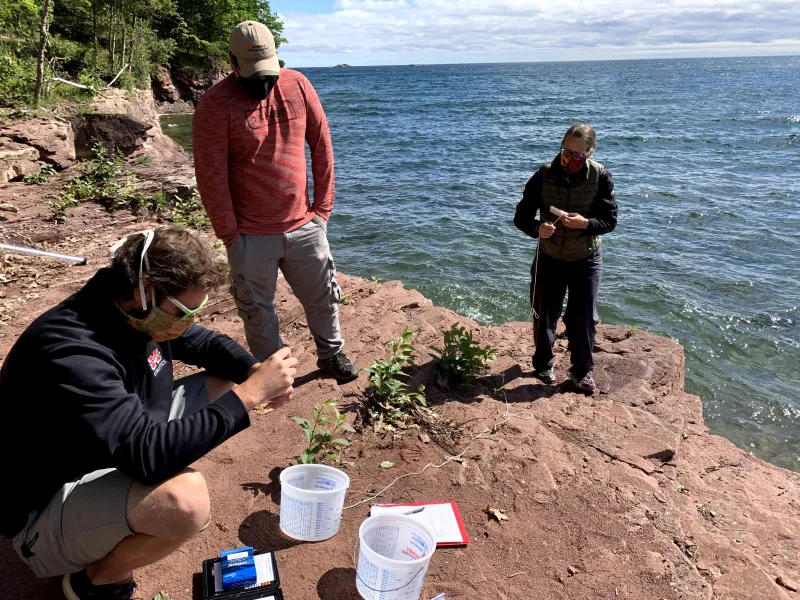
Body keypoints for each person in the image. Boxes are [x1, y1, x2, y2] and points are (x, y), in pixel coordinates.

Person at [0, 227, 297, 600]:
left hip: (102, 450)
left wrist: (252, 372)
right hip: (41, 511)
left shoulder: (132, 312)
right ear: (144, 288)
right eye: (184, 311)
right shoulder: (70, 350)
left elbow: (205, 344)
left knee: (227, 380)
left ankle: (120, 514)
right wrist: (251, 395)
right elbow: (148, 457)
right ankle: (96, 580)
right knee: (185, 501)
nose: (188, 321)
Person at [192, 20, 359, 383]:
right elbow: (211, 176)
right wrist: (230, 235)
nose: (263, 83)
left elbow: (322, 147)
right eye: (252, 74)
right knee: (257, 311)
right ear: (232, 63)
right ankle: (271, 374)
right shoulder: (215, 105)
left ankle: (331, 354)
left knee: (323, 297)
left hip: (304, 224)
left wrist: (323, 210)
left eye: (268, 71)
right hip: (249, 234)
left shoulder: (297, 84)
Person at [514, 124, 618, 393]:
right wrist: (538, 229)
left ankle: (582, 372)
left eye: (577, 155)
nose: (569, 159)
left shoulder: (601, 176)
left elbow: (609, 221)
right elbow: (521, 217)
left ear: (590, 152)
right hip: (549, 256)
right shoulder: (544, 174)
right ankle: (543, 364)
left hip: (586, 258)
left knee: (583, 318)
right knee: (544, 314)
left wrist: (586, 223)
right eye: (565, 152)